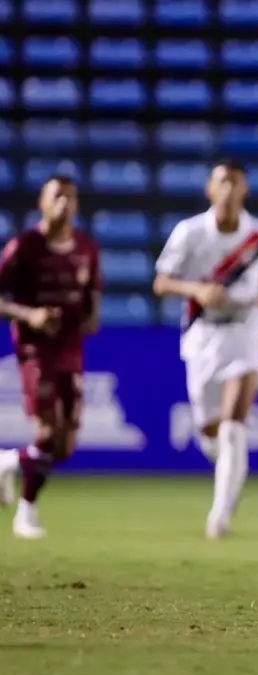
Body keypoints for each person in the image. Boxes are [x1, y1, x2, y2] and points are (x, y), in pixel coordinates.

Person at [152, 161, 258, 538]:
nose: (228, 188)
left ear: (244, 189)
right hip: (202, 334)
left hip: (246, 330)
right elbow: (161, 282)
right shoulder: (190, 232)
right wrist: (195, 290)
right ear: (210, 189)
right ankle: (229, 467)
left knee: (232, 427)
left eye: (235, 182)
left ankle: (221, 514)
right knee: (209, 431)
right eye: (222, 181)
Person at [0, 176, 102, 539]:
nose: (64, 203)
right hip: (34, 349)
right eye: (57, 195)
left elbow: (92, 291)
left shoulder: (87, 247)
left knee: (65, 446)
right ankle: (26, 513)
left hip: (71, 349)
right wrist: (30, 316)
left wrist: (92, 316)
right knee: (45, 431)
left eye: (71, 197)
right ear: (42, 204)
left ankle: (9, 461)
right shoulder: (24, 246)